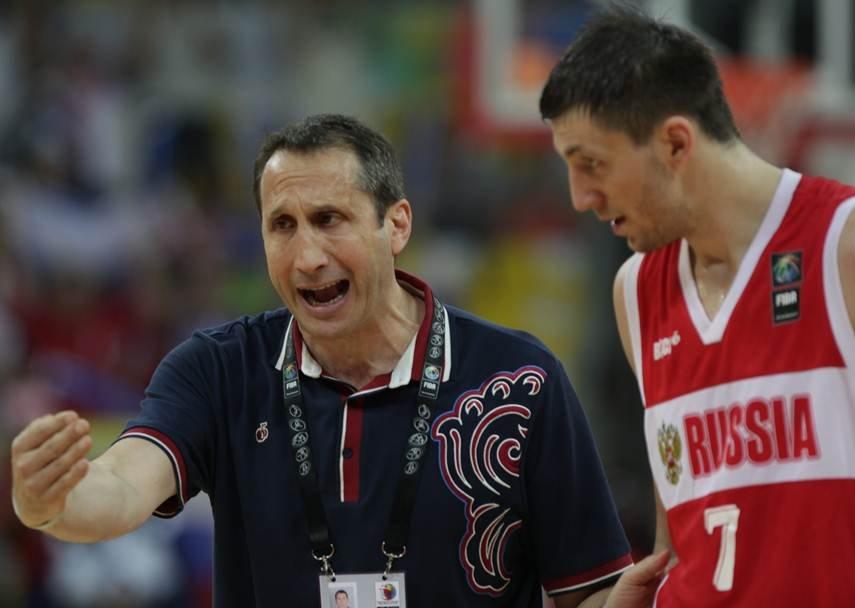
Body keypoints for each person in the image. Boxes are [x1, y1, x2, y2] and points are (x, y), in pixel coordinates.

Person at [11, 114, 656, 607]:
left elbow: (587, 592)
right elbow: (123, 486)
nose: (308, 256)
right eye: (282, 225)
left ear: (396, 226)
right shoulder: (218, 370)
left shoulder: (520, 377)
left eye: (329, 219)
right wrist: (51, 502)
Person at [540, 5, 855, 607]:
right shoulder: (635, 291)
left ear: (675, 143)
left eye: (592, 164)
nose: (580, 197)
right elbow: (676, 538)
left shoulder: (841, 244)